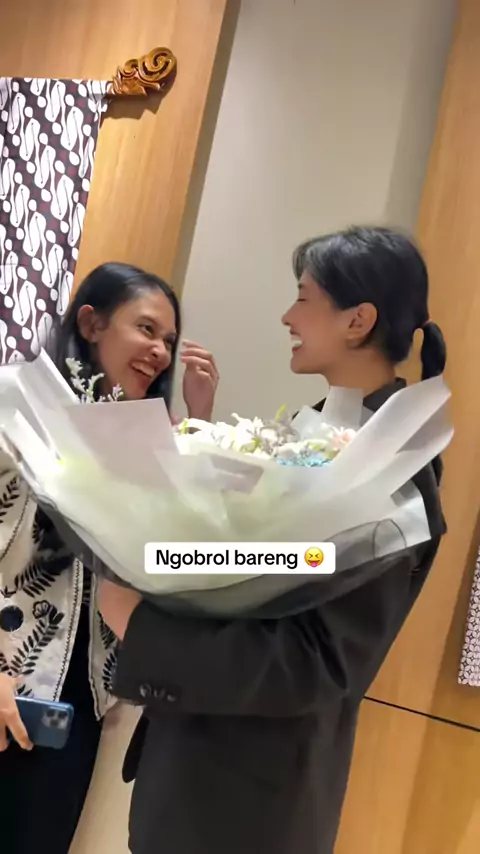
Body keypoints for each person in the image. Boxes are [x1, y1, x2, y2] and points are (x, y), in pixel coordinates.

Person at [98, 226, 446, 854]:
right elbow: (257, 564)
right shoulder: (317, 433)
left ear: (358, 320)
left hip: (250, 804)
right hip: (201, 775)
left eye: (304, 298)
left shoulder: (392, 472)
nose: (288, 317)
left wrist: (141, 625)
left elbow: (315, 662)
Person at [0, 262, 219, 853]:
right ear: (92, 324)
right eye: (146, 329)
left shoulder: (137, 437)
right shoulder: (12, 402)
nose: (161, 352)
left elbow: (177, 554)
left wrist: (198, 426)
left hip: (76, 702)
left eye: (169, 340)